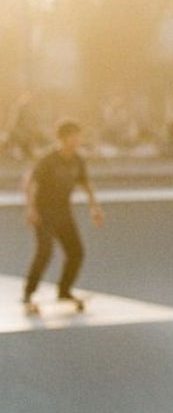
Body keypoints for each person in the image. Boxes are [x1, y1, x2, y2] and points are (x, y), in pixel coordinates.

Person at [22, 119, 104, 313]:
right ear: (61, 139)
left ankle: (64, 290)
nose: (76, 140)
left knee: (76, 252)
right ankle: (28, 293)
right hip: (44, 213)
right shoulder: (49, 160)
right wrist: (31, 209)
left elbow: (86, 183)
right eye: (71, 136)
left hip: (64, 212)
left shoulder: (77, 160)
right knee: (45, 252)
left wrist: (94, 207)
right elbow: (31, 183)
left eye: (78, 136)